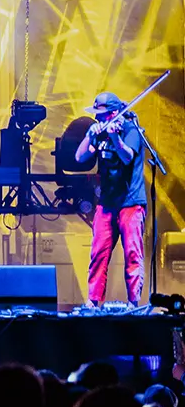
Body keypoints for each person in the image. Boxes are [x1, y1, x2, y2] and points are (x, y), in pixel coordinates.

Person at [74, 91, 146, 307]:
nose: (98, 118)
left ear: (114, 113)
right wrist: (90, 135)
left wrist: (115, 137)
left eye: (101, 115)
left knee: (132, 254)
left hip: (130, 203)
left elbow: (126, 157)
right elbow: (79, 157)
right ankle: (94, 302)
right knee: (98, 253)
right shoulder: (99, 131)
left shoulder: (131, 130)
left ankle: (133, 303)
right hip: (107, 204)